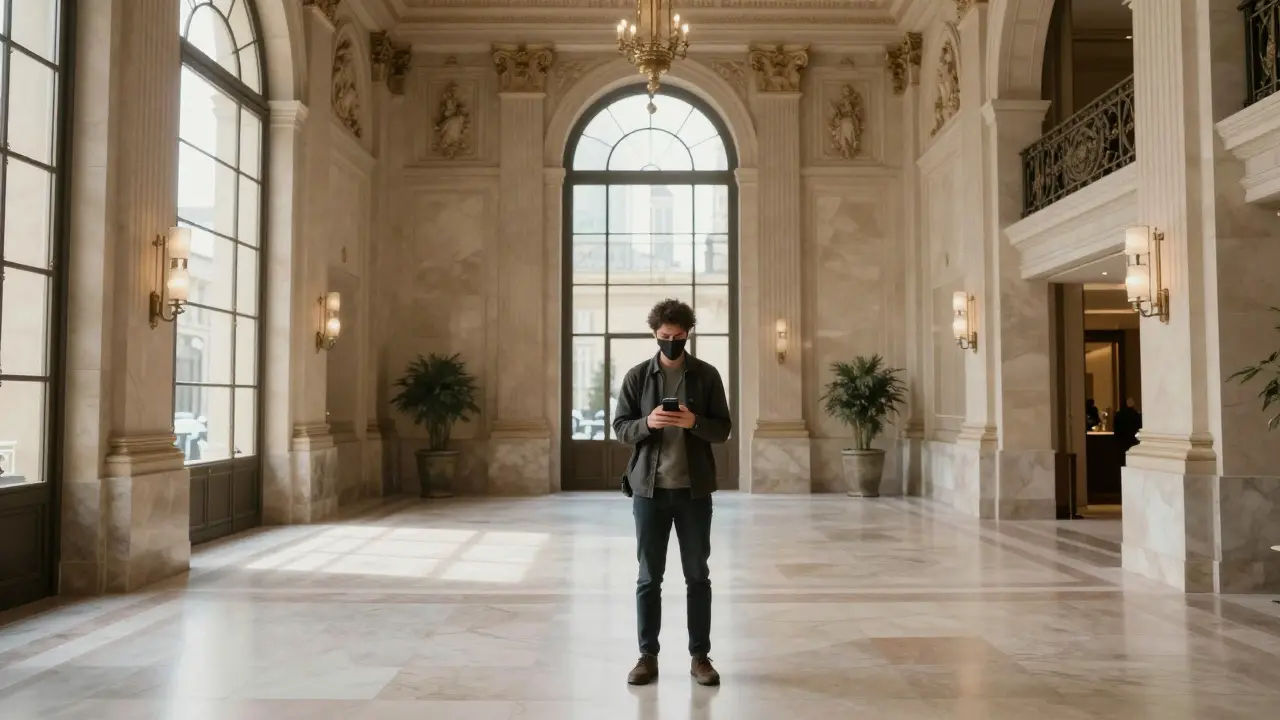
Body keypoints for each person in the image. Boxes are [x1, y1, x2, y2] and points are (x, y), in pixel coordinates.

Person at [613, 299, 732, 687]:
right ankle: (647, 656)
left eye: (678, 338)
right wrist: (648, 422)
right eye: (664, 337)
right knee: (649, 576)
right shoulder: (636, 376)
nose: (671, 343)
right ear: (654, 334)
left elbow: (723, 430)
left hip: (694, 492)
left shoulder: (707, 375)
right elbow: (621, 428)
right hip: (649, 492)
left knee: (698, 576)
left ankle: (701, 657)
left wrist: (694, 421)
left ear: (688, 334)